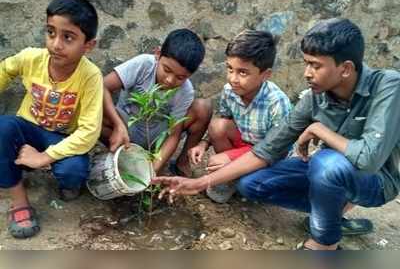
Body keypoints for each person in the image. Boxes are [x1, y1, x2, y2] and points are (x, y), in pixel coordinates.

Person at [153, 18, 400, 250]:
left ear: (345, 69)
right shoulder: (315, 96)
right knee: (250, 183)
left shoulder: (387, 86)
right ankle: (328, 215)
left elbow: (369, 159)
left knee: (327, 162)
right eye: (306, 63)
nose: (307, 73)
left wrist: (318, 129)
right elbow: (268, 149)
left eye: (315, 65)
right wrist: (200, 183)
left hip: (375, 181)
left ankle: (324, 244)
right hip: (326, 174)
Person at [0, 0, 103, 239]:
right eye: (51, 32)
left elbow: (89, 132)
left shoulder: (91, 76)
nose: (56, 44)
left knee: (74, 171)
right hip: (26, 127)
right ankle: (19, 200)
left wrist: (44, 157)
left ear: (88, 45)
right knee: (3, 128)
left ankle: (51, 175)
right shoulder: (31, 58)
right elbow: (5, 69)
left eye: (68, 37)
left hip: (61, 137)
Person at [188, 30, 291, 203]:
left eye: (243, 72)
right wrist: (203, 144)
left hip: (269, 154)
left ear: (265, 75)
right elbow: (224, 119)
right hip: (244, 144)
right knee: (217, 126)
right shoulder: (230, 91)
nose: (233, 79)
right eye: (230, 69)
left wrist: (231, 159)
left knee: (217, 161)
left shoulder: (277, 103)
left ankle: (237, 176)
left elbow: (279, 151)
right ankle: (231, 179)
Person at [101, 28, 212, 176]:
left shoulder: (185, 91)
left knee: (203, 107)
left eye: (180, 77)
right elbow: (102, 86)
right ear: (158, 54)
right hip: (125, 126)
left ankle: (181, 163)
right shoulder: (143, 64)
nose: (170, 80)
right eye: (166, 69)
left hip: (155, 138)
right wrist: (118, 125)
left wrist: (151, 174)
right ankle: (116, 153)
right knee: (91, 109)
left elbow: (173, 135)